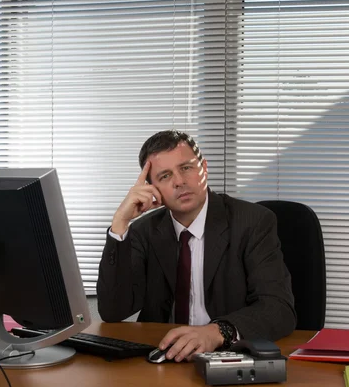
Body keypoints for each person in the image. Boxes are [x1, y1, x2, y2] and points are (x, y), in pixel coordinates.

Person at [97, 130, 296, 362]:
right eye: (165, 176)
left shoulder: (253, 222)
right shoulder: (144, 232)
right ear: (152, 190)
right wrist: (120, 224)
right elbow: (113, 311)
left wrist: (217, 332)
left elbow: (279, 308)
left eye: (186, 168)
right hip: (164, 354)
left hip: (229, 355)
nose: (179, 181)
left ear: (204, 168)